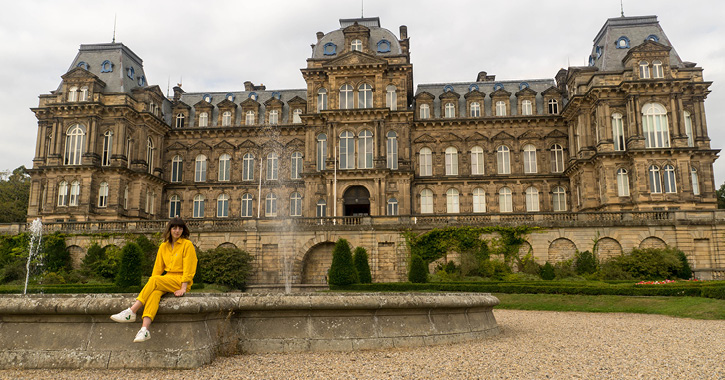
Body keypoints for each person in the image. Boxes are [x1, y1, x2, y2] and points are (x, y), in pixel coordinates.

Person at [110, 217, 198, 342]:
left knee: (155, 280)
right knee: (154, 293)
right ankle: (144, 330)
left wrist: (183, 287)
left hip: (180, 280)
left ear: (183, 230)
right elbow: (157, 269)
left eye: (180, 228)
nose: (177, 231)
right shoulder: (163, 246)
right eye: (174, 228)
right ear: (170, 229)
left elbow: (189, 267)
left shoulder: (187, 245)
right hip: (167, 279)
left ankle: (132, 311)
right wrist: (152, 285)